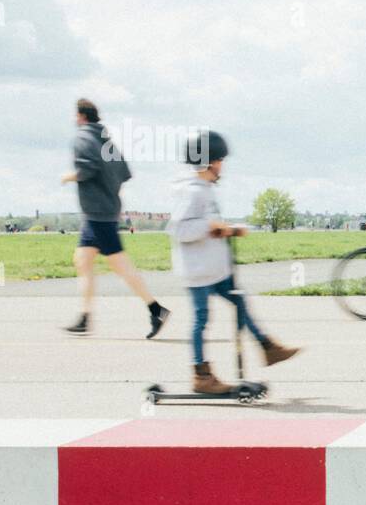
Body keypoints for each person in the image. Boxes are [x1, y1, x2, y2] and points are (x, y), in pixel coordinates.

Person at [168, 130, 300, 394]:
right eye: (220, 160)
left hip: (215, 269)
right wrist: (212, 226)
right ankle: (201, 375)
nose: (222, 166)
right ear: (207, 162)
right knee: (201, 319)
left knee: (240, 302)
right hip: (198, 272)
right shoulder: (193, 192)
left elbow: (207, 227)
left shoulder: (204, 189)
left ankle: (267, 347)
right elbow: (179, 230)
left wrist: (227, 229)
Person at [61, 98, 169, 337]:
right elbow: (125, 173)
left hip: (98, 214)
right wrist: (110, 191)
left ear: (81, 116)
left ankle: (156, 310)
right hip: (104, 212)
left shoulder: (83, 139)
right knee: (83, 260)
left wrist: (69, 177)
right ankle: (85, 317)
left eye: (74, 115)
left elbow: (86, 170)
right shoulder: (106, 141)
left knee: (120, 267)